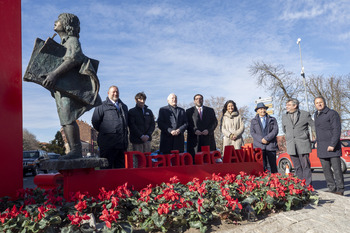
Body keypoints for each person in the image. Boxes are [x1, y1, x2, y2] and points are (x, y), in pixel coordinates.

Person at [41, 13, 101, 159]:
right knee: (64, 118)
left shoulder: (72, 41)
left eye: (59, 20)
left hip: (69, 88)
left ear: (67, 25)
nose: (55, 22)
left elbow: (73, 59)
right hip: (62, 88)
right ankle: (74, 150)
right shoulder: (63, 43)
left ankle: (76, 150)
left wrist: (54, 74)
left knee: (68, 118)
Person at [92, 86, 128, 169]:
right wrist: (106, 131)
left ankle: (120, 183)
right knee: (106, 169)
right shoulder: (101, 106)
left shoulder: (124, 107)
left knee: (120, 170)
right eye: (113, 92)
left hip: (121, 145)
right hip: (108, 145)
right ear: (108, 93)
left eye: (117, 92)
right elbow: (95, 121)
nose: (115, 93)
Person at [314, 96, 344, 195]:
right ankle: (331, 188)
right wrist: (316, 142)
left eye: (320, 102)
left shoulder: (332, 113)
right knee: (326, 170)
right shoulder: (316, 115)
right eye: (317, 103)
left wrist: (332, 144)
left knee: (337, 170)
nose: (319, 104)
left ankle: (340, 189)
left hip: (332, 147)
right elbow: (318, 131)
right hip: (322, 147)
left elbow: (336, 130)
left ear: (324, 103)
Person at [282, 98, 314, 186]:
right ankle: (300, 185)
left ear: (295, 105)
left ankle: (308, 186)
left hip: (303, 143)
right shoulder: (284, 116)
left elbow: (313, 126)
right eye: (286, 105)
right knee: (297, 167)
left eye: (288, 105)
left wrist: (309, 135)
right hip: (291, 145)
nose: (286, 107)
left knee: (305, 166)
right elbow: (284, 129)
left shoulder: (305, 114)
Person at [186, 94, 218, 159]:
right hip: (194, 141)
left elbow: (214, 122)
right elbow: (187, 123)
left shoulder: (210, 110)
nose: (199, 100)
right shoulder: (189, 111)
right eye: (196, 99)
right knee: (195, 162)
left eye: (200, 99)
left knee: (209, 161)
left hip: (208, 140)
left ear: (203, 100)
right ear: (194, 101)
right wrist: (194, 130)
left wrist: (208, 130)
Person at [250, 102, 278, 173]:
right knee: (261, 167)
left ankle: (275, 182)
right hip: (259, 147)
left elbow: (275, 130)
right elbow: (252, 132)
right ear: (257, 111)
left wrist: (267, 138)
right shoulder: (253, 121)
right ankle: (263, 183)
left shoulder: (272, 119)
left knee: (273, 166)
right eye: (260, 109)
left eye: (264, 109)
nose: (262, 111)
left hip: (270, 145)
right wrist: (261, 140)